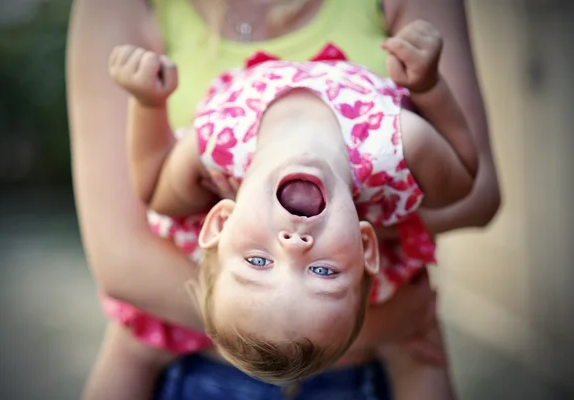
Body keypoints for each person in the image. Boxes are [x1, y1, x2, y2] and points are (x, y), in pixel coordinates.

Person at [66, 0, 500, 398]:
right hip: (359, 328)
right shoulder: (394, 142)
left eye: (258, 262)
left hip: (211, 295)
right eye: (323, 270)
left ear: (218, 223)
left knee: (136, 332)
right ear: (366, 246)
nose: (295, 246)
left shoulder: (222, 141)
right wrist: (429, 88)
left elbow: (156, 189)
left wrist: (148, 104)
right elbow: (465, 176)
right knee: (417, 347)